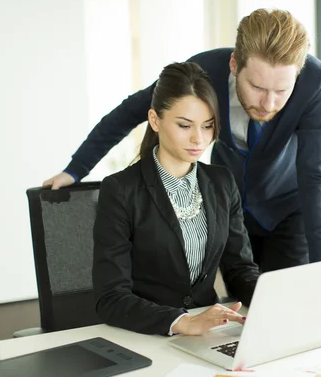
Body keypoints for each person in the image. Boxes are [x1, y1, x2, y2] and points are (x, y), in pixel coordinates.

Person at [45, 8, 321, 271]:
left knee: (283, 307)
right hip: (230, 208)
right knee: (244, 301)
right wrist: (75, 169)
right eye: (256, 86)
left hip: (287, 210)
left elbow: (315, 178)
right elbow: (131, 111)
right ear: (235, 64)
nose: (268, 103)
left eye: (281, 92)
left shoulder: (316, 83)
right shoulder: (202, 72)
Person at [92, 62, 259, 336]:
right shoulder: (121, 190)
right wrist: (182, 322)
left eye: (207, 126)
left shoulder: (222, 182)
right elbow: (111, 298)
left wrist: (270, 303)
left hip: (208, 331)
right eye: (184, 125)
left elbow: (240, 269)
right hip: (145, 333)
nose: (198, 138)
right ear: (155, 120)